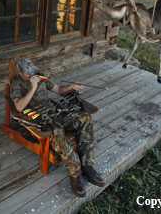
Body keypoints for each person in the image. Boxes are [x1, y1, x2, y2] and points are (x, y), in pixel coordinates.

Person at [10, 57, 105, 197]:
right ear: (19, 73)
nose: (32, 75)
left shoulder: (40, 77)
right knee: (56, 130)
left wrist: (71, 86)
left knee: (85, 118)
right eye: (28, 73)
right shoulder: (17, 84)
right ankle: (75, 171)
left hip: (55, 112)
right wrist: (33, 87)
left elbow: (59, 89)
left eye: (32, 71)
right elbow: (18, 107)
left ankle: (87, 165)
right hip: (39, 118)